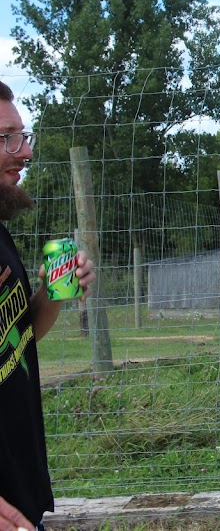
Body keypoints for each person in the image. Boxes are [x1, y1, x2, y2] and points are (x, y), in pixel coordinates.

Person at [0, 81, 95, 531]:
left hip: (18, 491)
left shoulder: (0, 236)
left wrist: (56, 292)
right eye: (6, 138)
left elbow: (19, 337)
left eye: (23, 136)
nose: (25, 152)